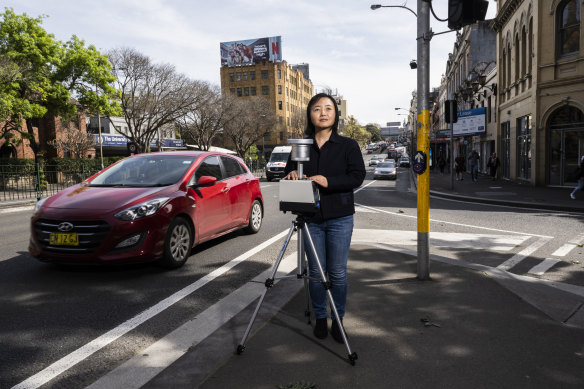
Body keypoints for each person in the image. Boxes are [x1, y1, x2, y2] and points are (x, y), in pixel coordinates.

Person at [284, 93, 366, 342]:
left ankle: (337, 319)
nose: (323, 113)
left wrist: (327, 181)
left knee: (338, 272)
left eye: (328, 108)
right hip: (311, 218)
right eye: (317, 108)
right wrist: (291, 176)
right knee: (318, 273)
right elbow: (290, 171)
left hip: (340, 217)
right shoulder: (301, 145)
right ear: (310, 114)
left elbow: (357, 176)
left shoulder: (348, 145)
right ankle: (321, 317)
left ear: (335, 114)